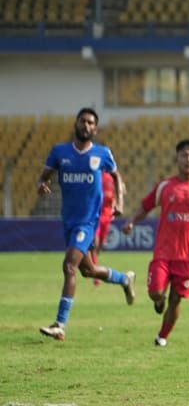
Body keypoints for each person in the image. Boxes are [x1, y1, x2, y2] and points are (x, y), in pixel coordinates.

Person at [35, 107, 136, 340]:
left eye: (91, 123)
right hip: (69, 220)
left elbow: (117, 176)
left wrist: (119, 202)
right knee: (88, 270)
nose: (86, 125)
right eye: (83, 121)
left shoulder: (102, 153)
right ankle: (124, 279)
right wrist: (41, 185)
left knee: (69, 266)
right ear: (76, 124)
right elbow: (43, 176)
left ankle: (60, 324)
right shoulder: (59, 152)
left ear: (96, 129)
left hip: (88, 221)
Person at [122, 138, 189, 346]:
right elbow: (146, 206)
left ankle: (162, 336)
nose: (188, 159)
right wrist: (132, 221)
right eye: (184, 155)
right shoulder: (165, 187)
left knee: (176, 300)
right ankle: (159, 300)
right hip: (164, 253)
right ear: (177, 159)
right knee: (155, 293)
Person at [90, 152, 125, 286]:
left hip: (107, 215)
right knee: (95, 242)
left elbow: (121, 190)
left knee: (100, 245)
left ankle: (94, 263)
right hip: (95, 214)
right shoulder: (96, 175)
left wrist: (117, 199)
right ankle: (95, 274)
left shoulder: (113, 176)